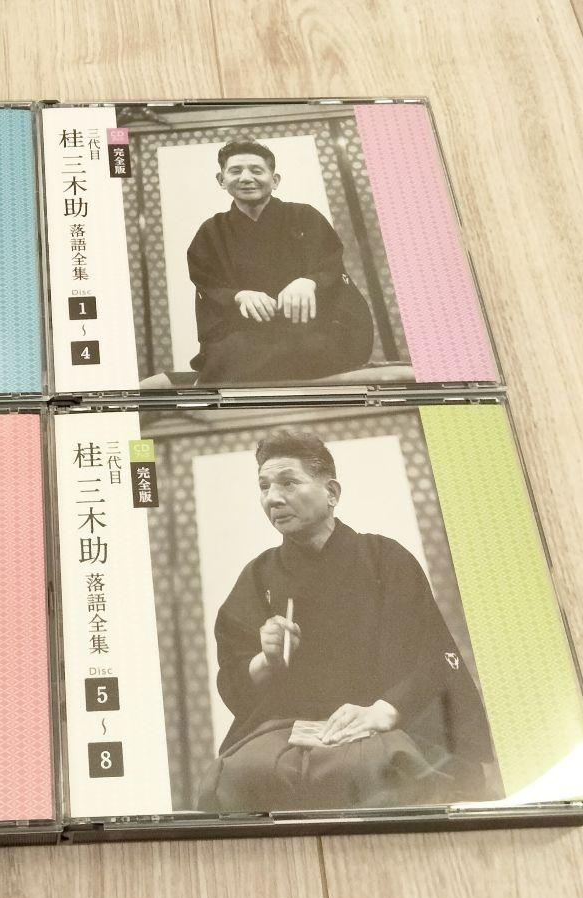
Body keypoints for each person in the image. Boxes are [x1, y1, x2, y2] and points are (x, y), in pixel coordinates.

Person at [197, 429, 498, 812]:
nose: (273, 498)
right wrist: (266, 661)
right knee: (234, 777)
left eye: (288, 482)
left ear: (332, 493)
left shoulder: (384, 559)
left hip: (386, 723)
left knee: (378, 773)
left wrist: (381, 711)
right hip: (289, 730)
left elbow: (433, 658)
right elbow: (234, 683)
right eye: (264, 486)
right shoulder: (258, 576)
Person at [186, 141, 375, 384]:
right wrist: (239, 296)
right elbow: (207, 282)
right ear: (221, 180)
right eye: (235, 171)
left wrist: (309, 282)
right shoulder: (212, 231)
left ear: (274, 180)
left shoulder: (304, 216)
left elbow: (330, 263)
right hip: (246, 334)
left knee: (315, 346)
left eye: (256, 170)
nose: (246, 178)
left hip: (310, 327)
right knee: (234, 351)